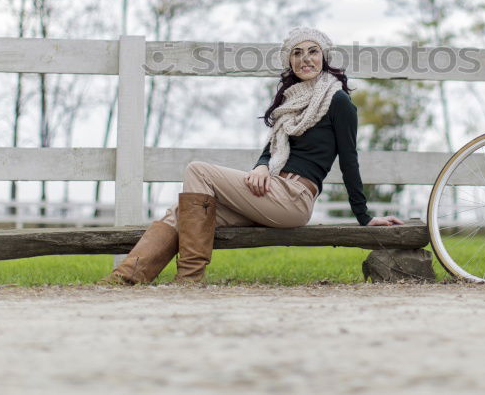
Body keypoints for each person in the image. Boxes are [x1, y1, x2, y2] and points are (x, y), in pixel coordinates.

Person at [100, 26, 403, 285]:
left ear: (323, 56)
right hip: (271, 190)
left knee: (198, 170)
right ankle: (124, 280)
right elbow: (270, 150)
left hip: (294, 197)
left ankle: (189, 281)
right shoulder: (290, 102)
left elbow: (350, 162)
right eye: (297, 53)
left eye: (312, 51)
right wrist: (260, 167)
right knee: (180, 213)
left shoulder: (338, 102)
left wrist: (364, 217)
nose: (305, 58)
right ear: (290, 61)